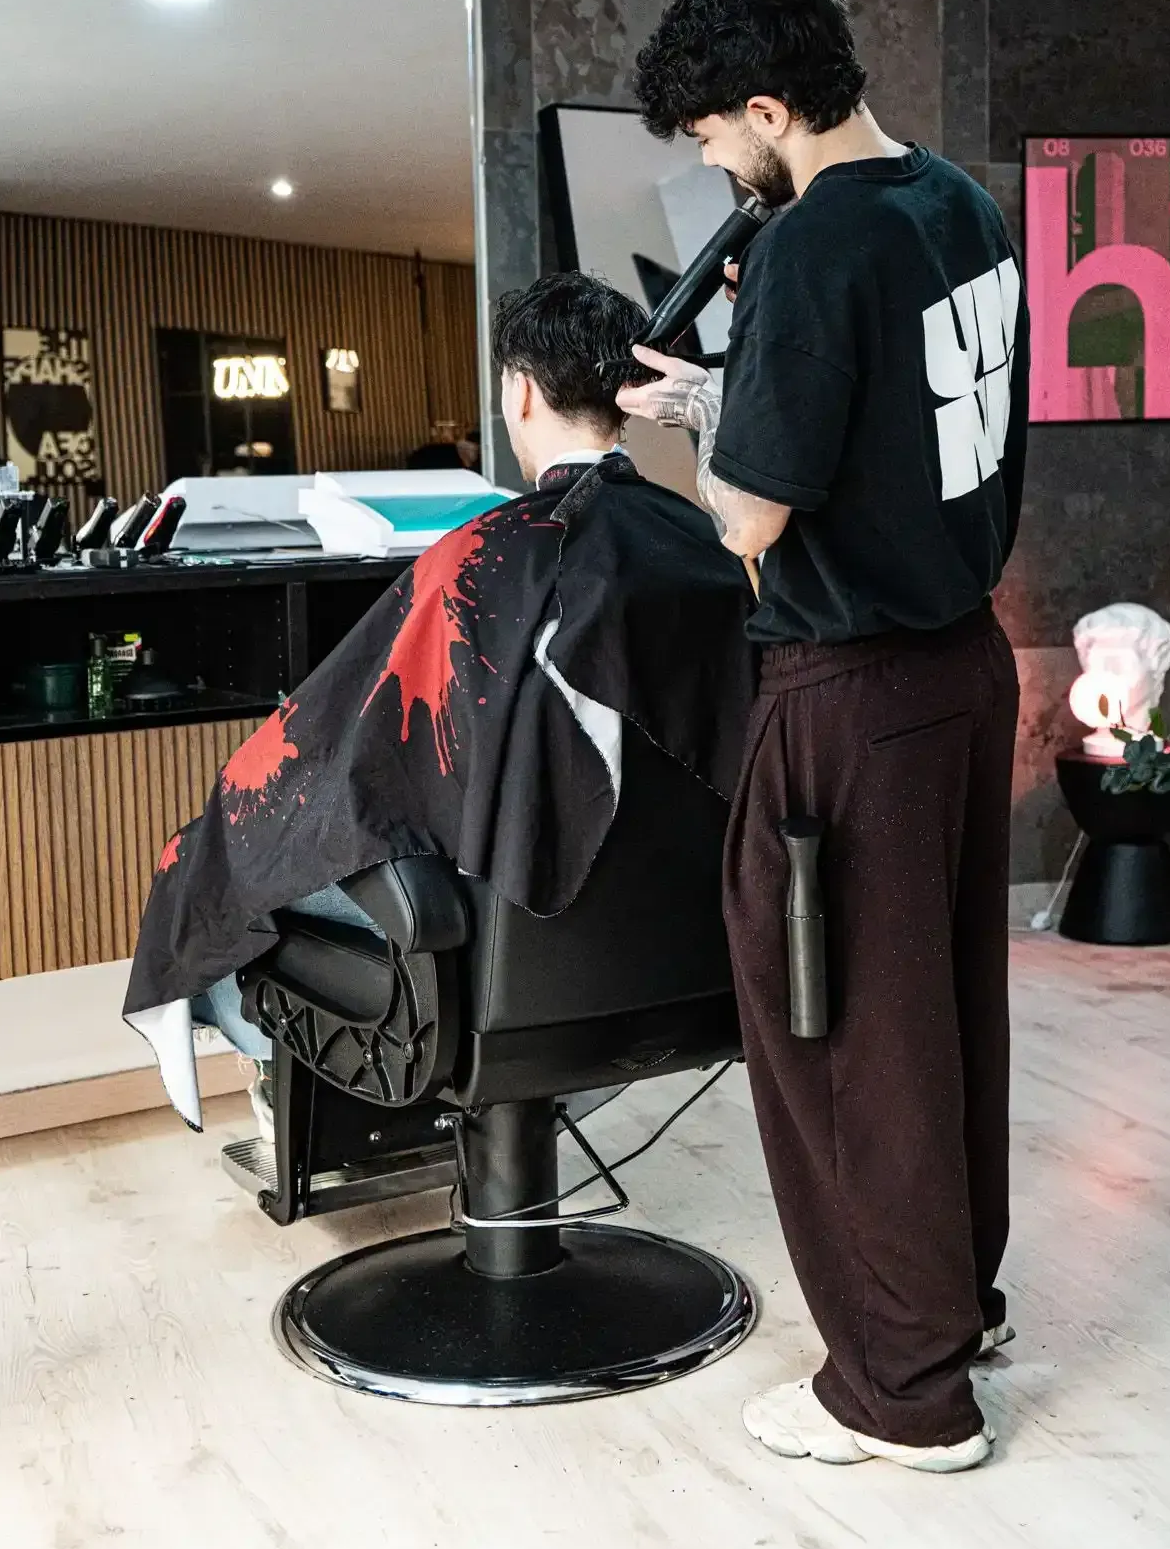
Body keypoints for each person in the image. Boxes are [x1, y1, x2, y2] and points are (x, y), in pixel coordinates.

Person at [620, 0, 1029, 1473]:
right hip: (963, 673)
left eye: (720, 141)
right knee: (938, 1024)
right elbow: (882, 429)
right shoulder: (958, 203)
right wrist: (736, 390)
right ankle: (949, 1308)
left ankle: (899, 1394)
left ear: (771, 106)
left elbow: (749, 523)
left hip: (849, 693)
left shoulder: (810, 251)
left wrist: (706, 414)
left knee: (843, 1037)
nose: (722, 171)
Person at [125, 272, 755, 1129]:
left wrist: (223, 835)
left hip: (505, 948)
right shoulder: (711, 550)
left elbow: (334, 765)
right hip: (688, 953)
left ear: (520, 391)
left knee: (215, 855)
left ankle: (287, 1091)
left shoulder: (481, 562)